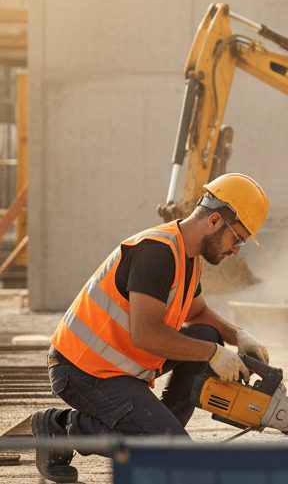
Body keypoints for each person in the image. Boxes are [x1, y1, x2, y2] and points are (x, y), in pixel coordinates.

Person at [31, 173, 272, 483]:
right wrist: (214, 354)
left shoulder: (190, 257)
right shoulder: (156, 253)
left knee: (208, 336)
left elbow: (198, 314)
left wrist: (237, 334)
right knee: (170, 445)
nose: (237, 249)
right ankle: (60, 427)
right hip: (81, 370)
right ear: (214, 221)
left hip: (116, 367)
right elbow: (145, 335)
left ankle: (160, 428)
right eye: (237, 238)